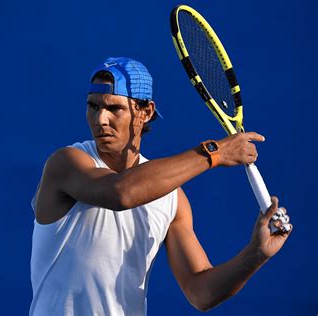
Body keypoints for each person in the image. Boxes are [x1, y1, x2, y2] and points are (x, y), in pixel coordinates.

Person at [29, 57, 292, 315]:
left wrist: (256, 253)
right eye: (93, 106)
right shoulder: (66, 163)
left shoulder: (172, 198)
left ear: (146, 112)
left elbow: (202, 293)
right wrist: (216, 152)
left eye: (114, 108)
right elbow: (121, 193)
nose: (100, 120)